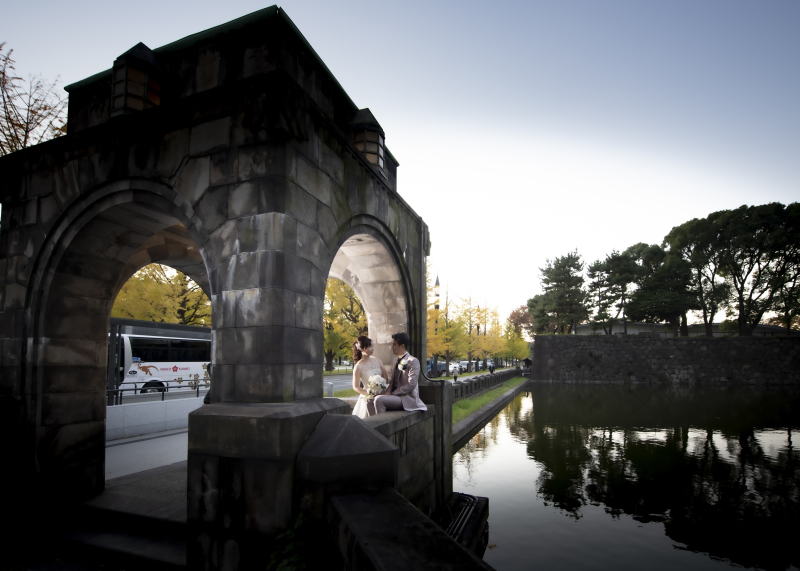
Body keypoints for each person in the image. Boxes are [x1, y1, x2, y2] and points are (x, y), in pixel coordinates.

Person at [374, 332, 427, 414]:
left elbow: (411, 384)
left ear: (402, 346)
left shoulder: (413, 361)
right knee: (371, 399)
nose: (392, 347)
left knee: (379, 400)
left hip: (407, 398)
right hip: (395, 396)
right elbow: (392, 382)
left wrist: (392, 393)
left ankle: (382, 424)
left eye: (394, 345)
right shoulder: (395, 361)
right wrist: (387, 392)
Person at [351, 336, 391, 419]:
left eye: (372, 346)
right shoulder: (358, 366)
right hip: (368, 397)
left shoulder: (377, 360)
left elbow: (385, 377)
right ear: (361, 349)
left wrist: (381, 389)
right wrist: (369, 393)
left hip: (381, 395)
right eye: (369, 347)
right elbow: (356, 387)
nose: (372, 349)